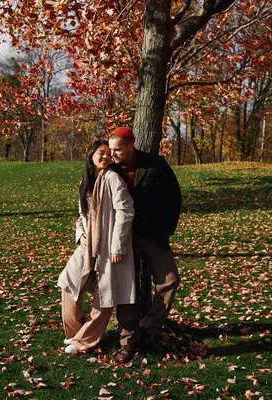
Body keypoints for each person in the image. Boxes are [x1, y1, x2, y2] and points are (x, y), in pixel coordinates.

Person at [108, 127, 182, 364]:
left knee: (169, 280)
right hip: (122, 238)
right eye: (110, 150)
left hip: (153, 235)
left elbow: (174, 196)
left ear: (131, 145)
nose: (113, 154)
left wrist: (167, 228)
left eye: (117, 149)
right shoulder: (108, 169)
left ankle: (150, 329)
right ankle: (128, 340)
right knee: (126, 288)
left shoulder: (155, 164)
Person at [58, 139, 136, 354]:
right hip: (87, 245)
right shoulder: (86, 182)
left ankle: (85, 341)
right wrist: (80, 234)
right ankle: (77, 333)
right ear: (91, 154)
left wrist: (117, 246)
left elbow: (126, 211)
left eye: (108, 154)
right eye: (101, 153)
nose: (105, 157)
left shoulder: (112, 179)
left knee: (104, 296)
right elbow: (81, 216)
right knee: (69, 284)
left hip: (109, 248)